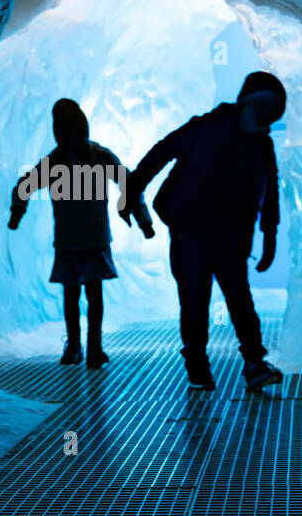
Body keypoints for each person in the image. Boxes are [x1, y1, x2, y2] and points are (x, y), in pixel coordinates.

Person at [120, 71, 286, 392]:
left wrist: (270, 235)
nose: (266, 115)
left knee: (239, 300)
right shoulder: (207, 127)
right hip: (191, 229)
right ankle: (197, 362)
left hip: (231, 235)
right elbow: (162, 152)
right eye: (262, 106)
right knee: (195, 299)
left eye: (273, 109)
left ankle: (254, 363)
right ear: (245, 104)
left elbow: (271, 190)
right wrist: (131, 192)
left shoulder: (262, 145)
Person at [9, 98, 154, 368]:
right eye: (67, 132)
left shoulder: (60, 160)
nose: (72, 138)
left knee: (78, 294)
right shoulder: (93, 156)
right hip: (84, 238)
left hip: (79, 239)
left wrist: (17, 213)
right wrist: (143, 218)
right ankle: (85, 347)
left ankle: (83, 347)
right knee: (83, 295)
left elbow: (24, 187)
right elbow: (129, 183)